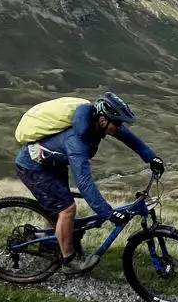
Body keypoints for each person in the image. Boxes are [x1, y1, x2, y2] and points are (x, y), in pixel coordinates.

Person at [14, 92, 164, 272]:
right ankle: (69, 261)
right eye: (117, 123)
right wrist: (108, 213)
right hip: (33, 168)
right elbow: (84, 183)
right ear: (102, 121)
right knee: (67, 209)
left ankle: (51, 245)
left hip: (52, 164)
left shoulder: (99, 124)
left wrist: (151, 158)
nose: (120, 127)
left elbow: (128, 137)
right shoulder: (76, 142)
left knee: (59, 207)